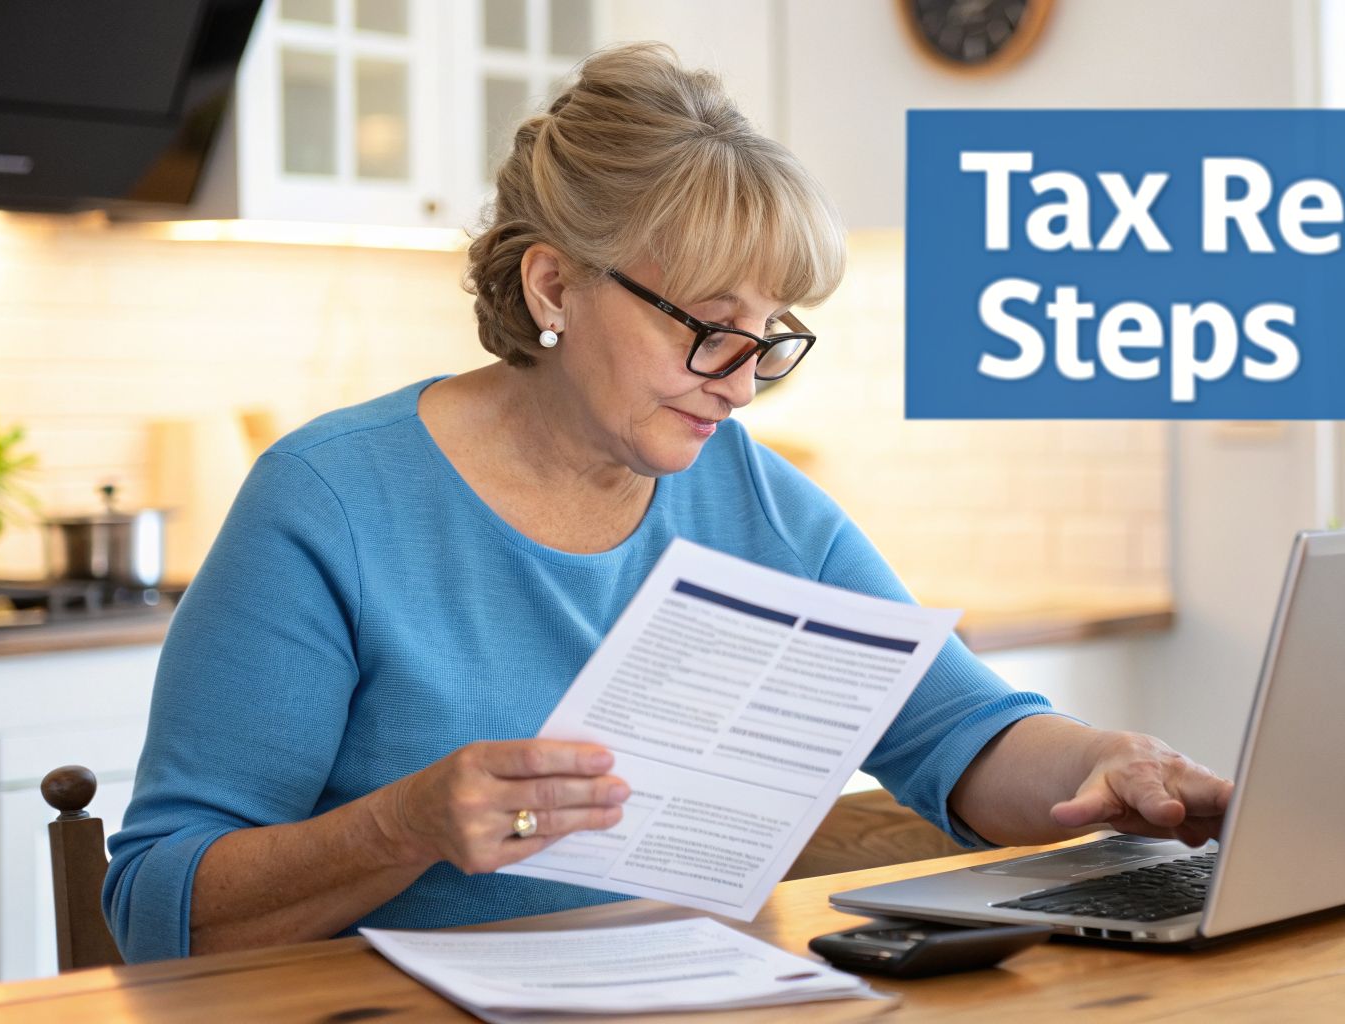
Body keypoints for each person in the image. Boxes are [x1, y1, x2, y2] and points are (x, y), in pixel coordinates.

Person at [103, 41, 1232, 963]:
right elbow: (159, 895)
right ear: (554, 284)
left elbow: (958, 733)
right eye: (705, 325)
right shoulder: (330, 503)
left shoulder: (762, 505)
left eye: (770, 334)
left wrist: (1103, 764)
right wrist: (401, 825)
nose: (741, 379)